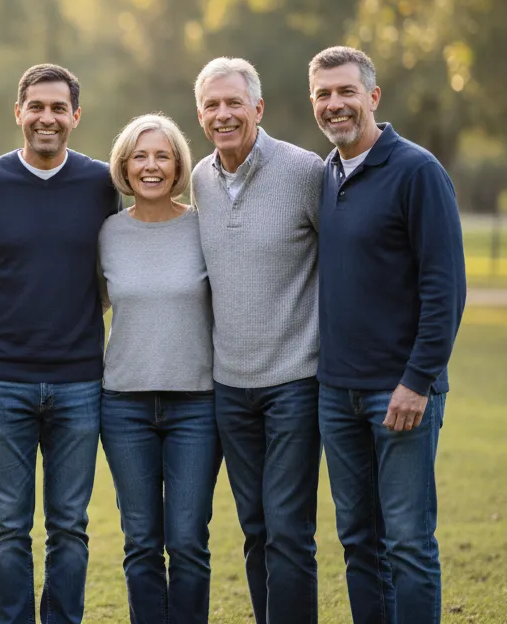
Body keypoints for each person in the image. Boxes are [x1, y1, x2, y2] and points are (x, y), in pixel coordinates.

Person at [0, 63, 119, 624]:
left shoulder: (102, 184)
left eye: (58, 108)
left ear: (75, 116)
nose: (46, 118)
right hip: (2, 381)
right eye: (36, 107)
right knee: (9, 526)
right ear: (18, 112)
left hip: (80, 380)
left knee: (70, 525)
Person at [309, 46, 465, 624]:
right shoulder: (325, 173)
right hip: (335, 393)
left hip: (399, 392)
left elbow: (445, 289)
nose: (335, 104)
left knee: (408, 543)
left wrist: (417, 382)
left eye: (346, 91)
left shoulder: (417, 170)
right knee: (358, 542)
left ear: (373, 97)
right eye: (323, 94)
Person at [190, 57, 324, 624]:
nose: (224, 115)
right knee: (255, 528)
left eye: (234, 103)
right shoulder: (198, 178)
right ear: (200, 115)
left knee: (290, 531)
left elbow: (347, 259)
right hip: (229, 387)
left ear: (258, 108)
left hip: (295, 380)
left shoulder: (306, 171)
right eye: (212, 105)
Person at [98, 113, 220, 624]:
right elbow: (90, 304)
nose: (151, 166)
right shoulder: (106, 233)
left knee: (188, 541)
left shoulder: (204, 225)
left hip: (196, 405)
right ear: (124, 166)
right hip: (124, 406)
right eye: (140, 156)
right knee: (142, 542)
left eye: (162, 156)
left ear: (178, 166)